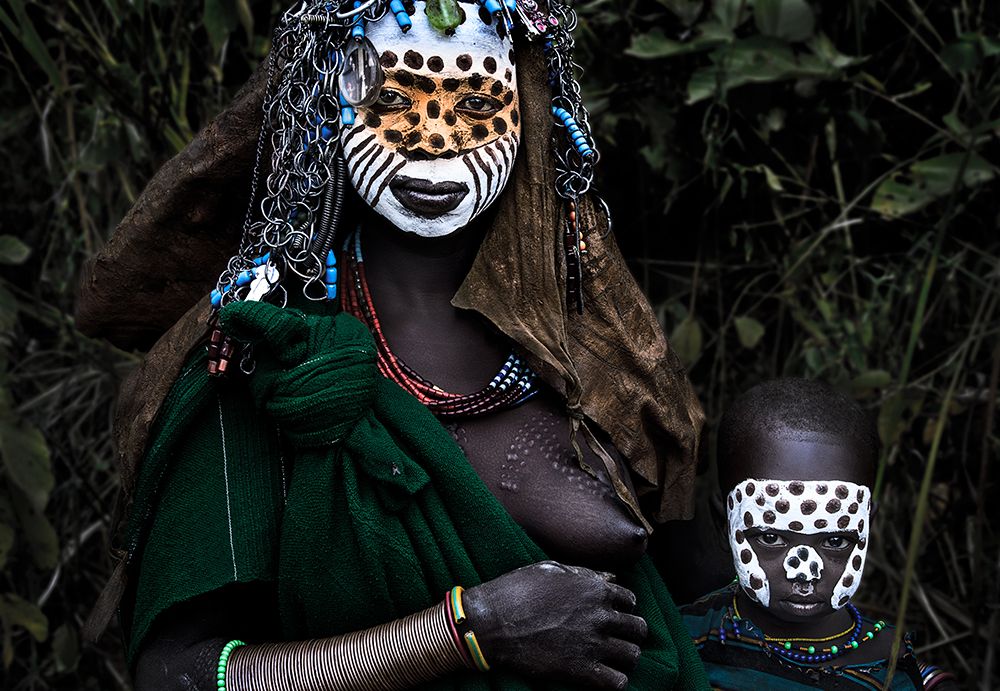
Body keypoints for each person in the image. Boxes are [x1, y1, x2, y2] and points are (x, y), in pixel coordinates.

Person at [76, 0, 710, 689]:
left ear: (529, 107)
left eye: (474, 100)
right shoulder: (278, 361)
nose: (433, 137)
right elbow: (179, 676)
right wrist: (468, 630)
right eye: (391, 98)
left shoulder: (597, 346)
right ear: (325, 107)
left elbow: (713, 597)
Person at [680, 379, 958, 690]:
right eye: (771, 539)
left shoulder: (893, 669)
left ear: (868, 526)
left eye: (835, 542)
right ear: (724, 524)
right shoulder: (681, 641)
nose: (804, 573)